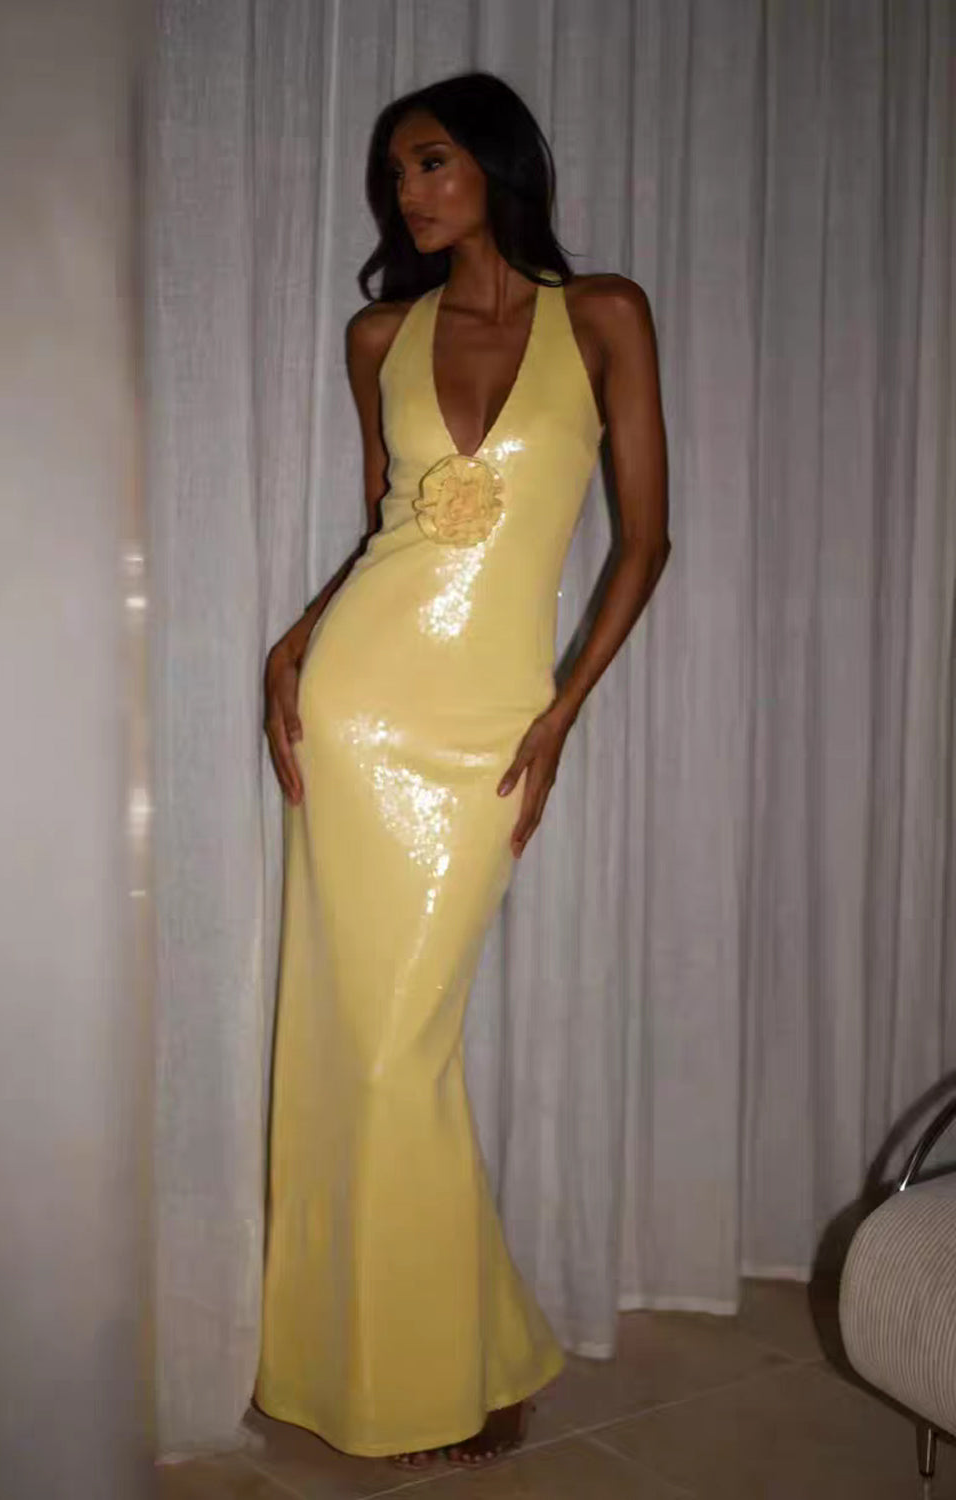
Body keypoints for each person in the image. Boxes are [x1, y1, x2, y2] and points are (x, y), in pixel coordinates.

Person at [253, 70, 669, 1470]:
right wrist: (300, 638)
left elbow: (645, 541)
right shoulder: (379, 332)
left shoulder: (603, 314)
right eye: (395, 174)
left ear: (494, 162)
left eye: (429, 162)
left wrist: (560, 714)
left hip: (490, 719)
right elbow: (390, 522)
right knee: (367, 1049)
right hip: (355, 706)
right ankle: (417, 1368)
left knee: (399, 1049)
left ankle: (455, 1359)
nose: (409, 193)